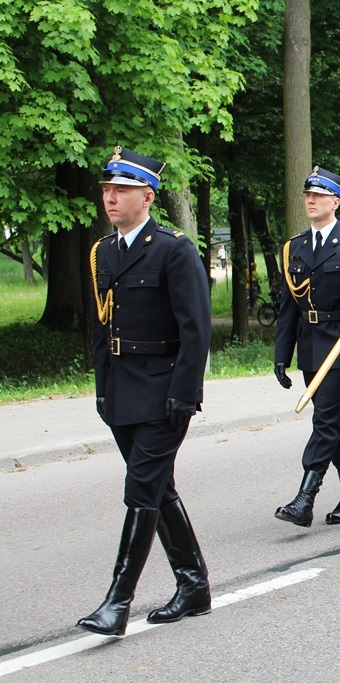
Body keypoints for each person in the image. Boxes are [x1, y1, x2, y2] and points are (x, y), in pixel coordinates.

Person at [82, 146, 212, 637]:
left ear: (148, 197)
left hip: (163, 390)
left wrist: (185, 392)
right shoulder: (103, 252)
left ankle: (117, 602)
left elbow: (196, 328)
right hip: (122, 389)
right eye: (107, 190)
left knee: (140, 488)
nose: (110, 198)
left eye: (121, 190)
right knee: (159, 487)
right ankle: (194, 585)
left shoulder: (173, 249)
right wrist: (102, 387)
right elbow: (102, 326)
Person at [273, 167, 340, 528]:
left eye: (318, 196)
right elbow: (289, 305)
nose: (311, 201)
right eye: (308, 195)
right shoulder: (294, 247)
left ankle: (305, 497)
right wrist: (282, 355)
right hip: (310, 344)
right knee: (335, 421)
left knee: (325, 420)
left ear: (335, 202)